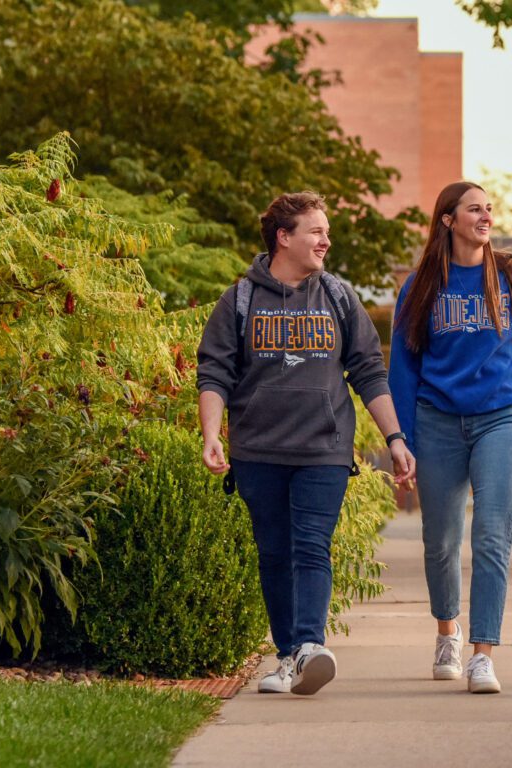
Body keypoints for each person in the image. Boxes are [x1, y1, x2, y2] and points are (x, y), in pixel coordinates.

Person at [197, 191, 415, 697]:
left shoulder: (338, 297)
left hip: (324, 447)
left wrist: (395, 437)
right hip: (258, 449)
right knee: (274, 553)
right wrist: (212, 433)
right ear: (284, 237)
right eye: (316, 231)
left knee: (311, 546)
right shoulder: (240, 299)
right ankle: (289, 656)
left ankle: (311, 646)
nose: (325, 240)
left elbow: (368, 371)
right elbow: (214, 373)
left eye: (327, 231)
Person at [389, 181, 512, 694]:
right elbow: (403, 370)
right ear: (448, 220)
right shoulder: (422, 285)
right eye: (474, 208)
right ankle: (447, 632)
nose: (486, 215)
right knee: (442, 541)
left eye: (489, 208)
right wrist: (399, 439)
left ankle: (482, 653)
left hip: (503, 417)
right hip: (436, 422)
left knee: (492, 534)